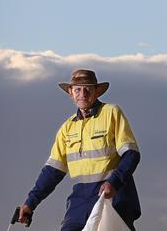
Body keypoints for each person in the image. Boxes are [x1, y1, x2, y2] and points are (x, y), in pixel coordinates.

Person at [17, 69, 141, 230]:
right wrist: (30, 203)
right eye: (77, 89)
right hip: (80, 199)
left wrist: (114, 182)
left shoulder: (111, 113)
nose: (82, 93)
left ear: (96, 91)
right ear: (70, 92)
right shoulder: (67, 127)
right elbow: (52, 171)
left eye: (87, 88)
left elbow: (131, 154)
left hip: (112, 194)